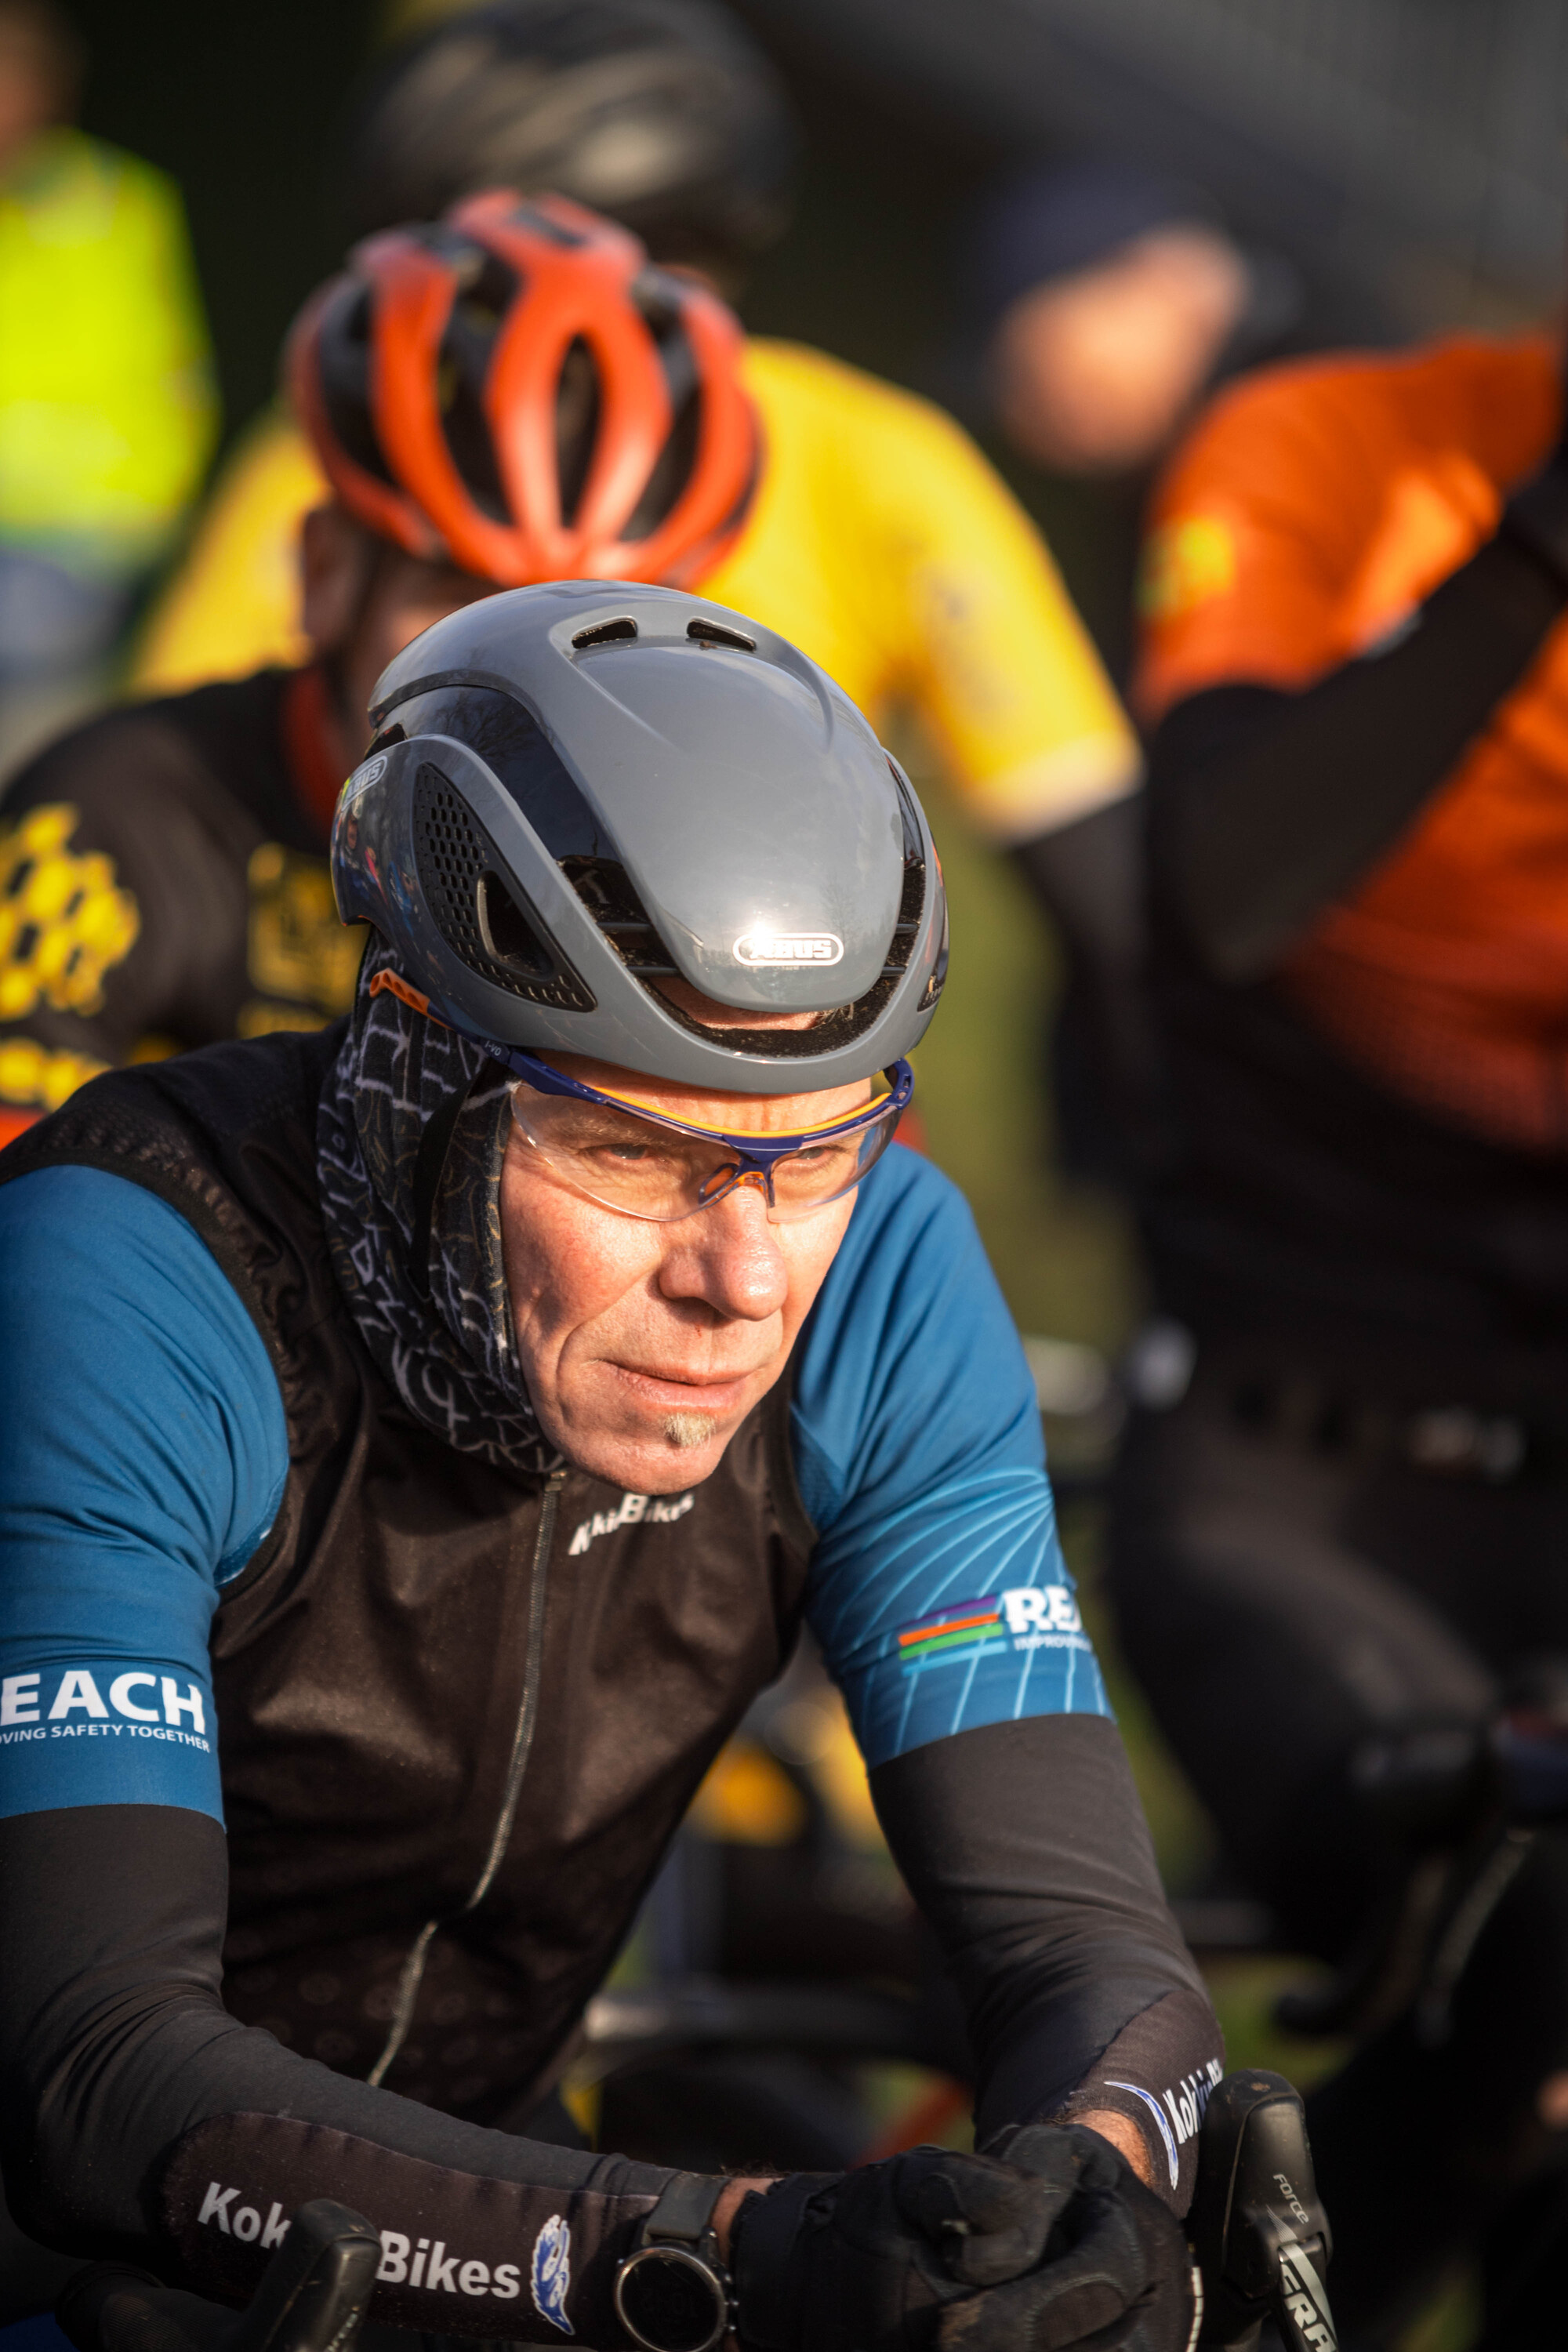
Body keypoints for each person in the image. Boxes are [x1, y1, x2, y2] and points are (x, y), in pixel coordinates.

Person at [0, 579, 1221, 2352]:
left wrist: (1084, 2188)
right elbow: (88, 2062)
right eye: (634, 1154)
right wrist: (727, 2250)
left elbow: (1075, 1941)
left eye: (809, 1156)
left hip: (504, 2202)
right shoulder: (126, 1277)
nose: (742, 1281)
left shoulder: (885, 1264)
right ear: (421, 1066)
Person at [0, 187, 1139, 1166]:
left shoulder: (747, 886)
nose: (519, 689)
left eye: (598, 626)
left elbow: (866, 1296)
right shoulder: (117, 817)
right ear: (325, 574)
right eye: (462, 598)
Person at [1111, 321, 1568, 2345]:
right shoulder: (1329, 446)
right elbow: (1226, 879)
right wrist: (1543, 546)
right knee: (1512, 1972)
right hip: (1285, 1475)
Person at [0, 0, 215, 779]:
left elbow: (170, 373)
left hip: (72, 538)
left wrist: (150, 505)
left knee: (36, 739)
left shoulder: (118, 204)